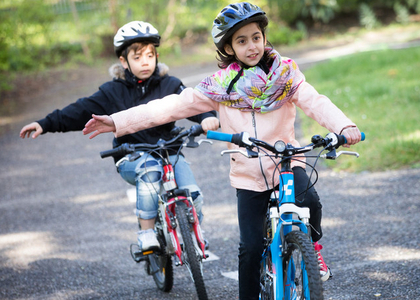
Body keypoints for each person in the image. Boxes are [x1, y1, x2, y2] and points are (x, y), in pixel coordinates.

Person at [83, 3, 362, 299]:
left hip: (286, 163)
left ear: (264, 38)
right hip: (248, 174)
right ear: (229, 47)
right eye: (241, 41)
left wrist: (343, 127)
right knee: (251, 248)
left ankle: (312, 250)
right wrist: (117, 121)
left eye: (256, 37)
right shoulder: (219, 86)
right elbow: (169, 106)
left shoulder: (286, 75)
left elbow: (316, 101)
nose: (252, 46)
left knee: (311, 202)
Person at [19, 21, 219, 253]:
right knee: (149, 169)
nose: (145, 61)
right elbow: (79, 111)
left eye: (150, 55)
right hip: (132, 156)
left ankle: (193, 234)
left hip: (169, 152)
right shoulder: (112, 91)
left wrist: (207, 117)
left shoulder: (171, 84)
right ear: (123, 61)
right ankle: (146, 232)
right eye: (137, 57)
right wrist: (45, 124)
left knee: (193, 195)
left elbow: (192, 103)